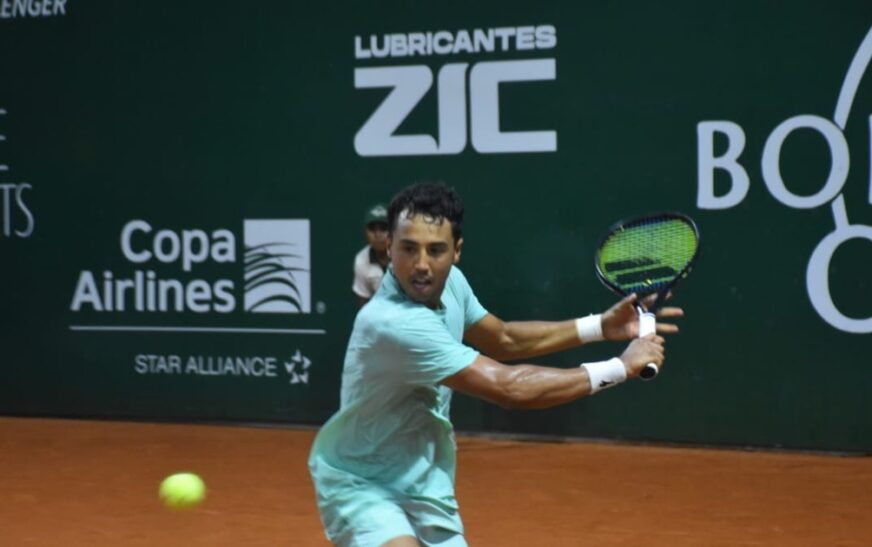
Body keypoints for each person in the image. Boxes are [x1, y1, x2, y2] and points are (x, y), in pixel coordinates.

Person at [310, 182, 683, 547]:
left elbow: (503, 338)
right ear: (389, 248)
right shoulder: (393, 322)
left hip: (424, 478)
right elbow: (509, 387)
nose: (421, 265)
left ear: (456, 251)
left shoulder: (452, 282)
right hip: (359, 479)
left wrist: (599, 326)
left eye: (435, 250)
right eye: (408, 249)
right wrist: (620, 367)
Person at [353, 203, 390, 306]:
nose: (378, 235)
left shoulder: (405, 254)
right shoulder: (361, 260)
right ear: (365, 232)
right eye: (372, 229)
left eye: (383, 229)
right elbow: (364, 302)